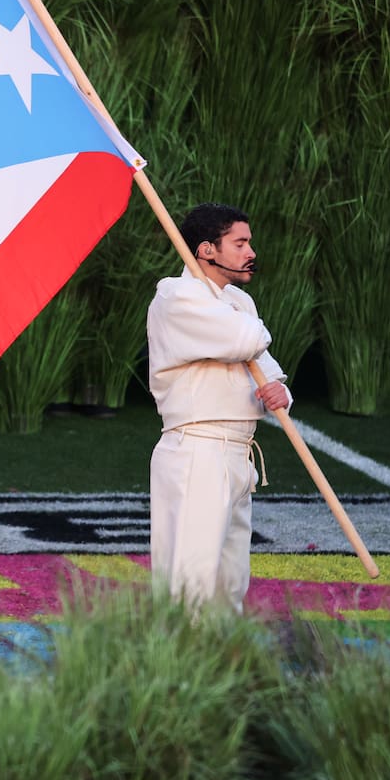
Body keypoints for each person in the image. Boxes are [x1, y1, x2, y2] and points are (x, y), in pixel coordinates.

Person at [145, 203, 291, 614]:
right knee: (189, 584)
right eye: (239, 243)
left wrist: (280, 392)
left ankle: (223, 653)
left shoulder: (238, 301)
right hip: (197, 450)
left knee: (230, 584)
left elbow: (267, 370)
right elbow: (248, 340)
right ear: (207, 250)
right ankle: (177, 656)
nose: (251, 252)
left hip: (238, 454)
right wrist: (238, 322)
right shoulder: (176, 295)